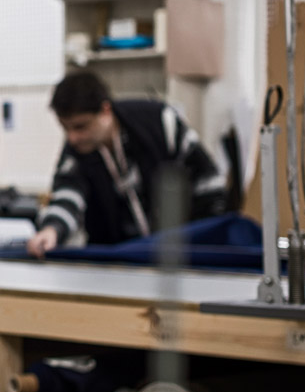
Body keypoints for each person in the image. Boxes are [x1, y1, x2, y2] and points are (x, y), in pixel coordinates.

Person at [27, 70, 227, 258]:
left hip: (179, 252)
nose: (72, 138)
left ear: (105, 111)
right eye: (65, 128)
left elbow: (208, 181)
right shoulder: (76, 151)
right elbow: (67, 196)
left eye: (81, 127)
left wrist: (202, 237)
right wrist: (51, 230)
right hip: (117, 259)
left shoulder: (159, 121)